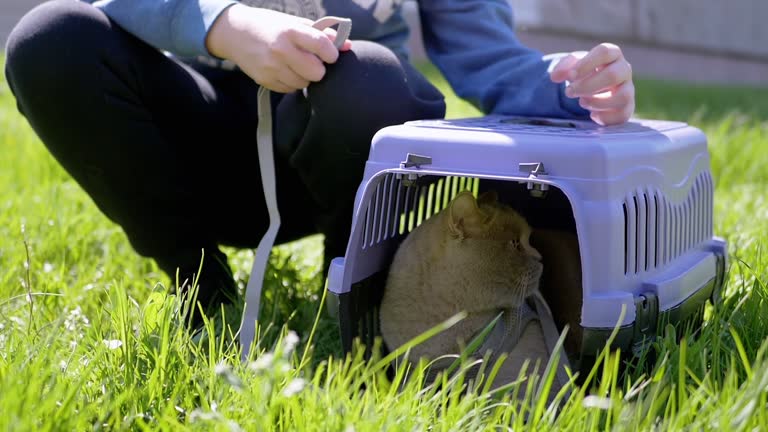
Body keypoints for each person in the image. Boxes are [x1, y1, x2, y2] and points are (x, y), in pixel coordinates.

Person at [4, 0, 634, 327]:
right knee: (51, 38)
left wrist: (574, 84)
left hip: (335, 153)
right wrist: (228, 24)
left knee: (373, 80)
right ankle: (199, 281)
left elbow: (485, 52)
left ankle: (355, 285)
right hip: (190, 142)